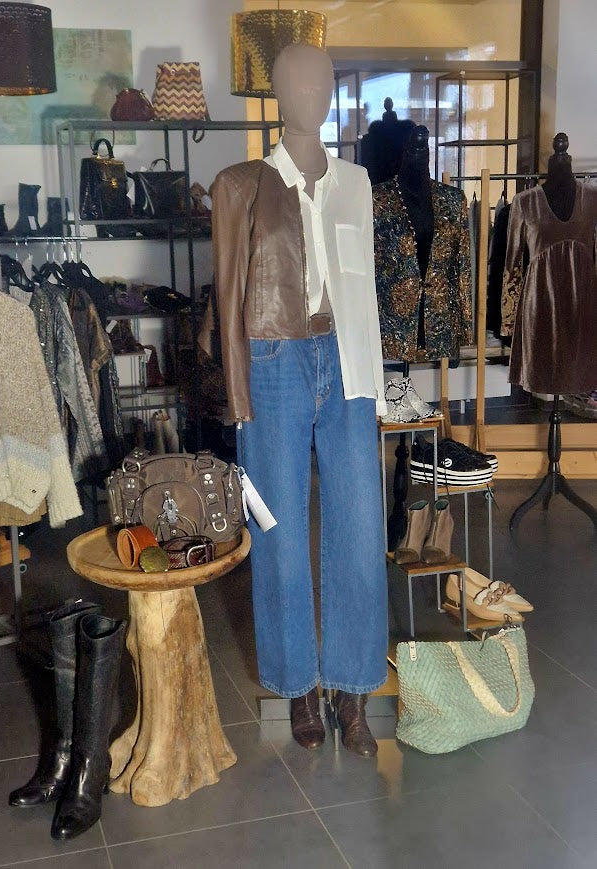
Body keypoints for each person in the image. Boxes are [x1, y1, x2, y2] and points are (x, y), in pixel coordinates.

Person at [211, 44, 388, 757]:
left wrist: (373, 380)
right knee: (277, 526)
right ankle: (300, 686)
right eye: (298, 82)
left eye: (322, 82)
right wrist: (237, 396)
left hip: (345, 360)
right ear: (278, 94)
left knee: (359, 524)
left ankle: (352, 687)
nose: (312, 93)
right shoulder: (240, 186)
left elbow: (365, 289)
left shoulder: (357, 182)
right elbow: (227, 295)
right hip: (271, 359)